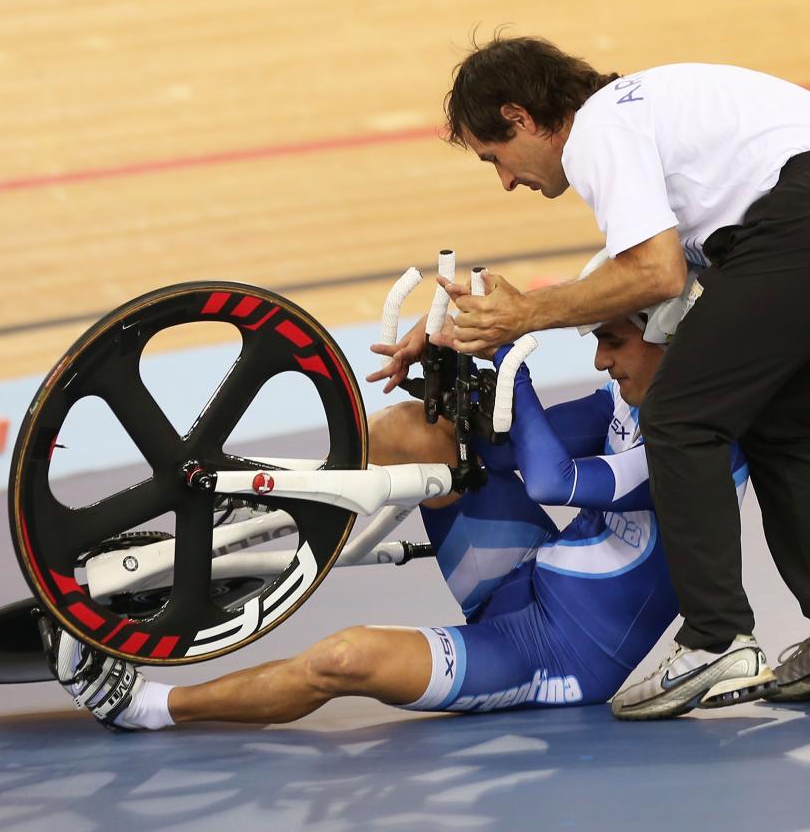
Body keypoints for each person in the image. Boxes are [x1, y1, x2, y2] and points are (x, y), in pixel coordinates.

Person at [376, 35, 810, 719]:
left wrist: (522, 317)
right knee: (780, 425)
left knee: (679, 413)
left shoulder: (598, 129)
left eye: (495, 157)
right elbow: (630, 275)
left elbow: (654, 274)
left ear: (520, 117)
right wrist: (467, 324)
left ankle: (716, 639)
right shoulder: (643, 115)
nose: (506, 180)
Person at [45, 311, 750, 730]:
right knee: (417, 431)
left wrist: (512, 360)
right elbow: (498, 451)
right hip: (527, 572)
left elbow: (549, 478)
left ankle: (149, 706)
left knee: (345, 657)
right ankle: (215, 533)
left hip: (555, 652)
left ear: (669, 339)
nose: (600, 358)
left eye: (613, 342)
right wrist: (459, 367)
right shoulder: (627, 401)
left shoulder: (702, 449)